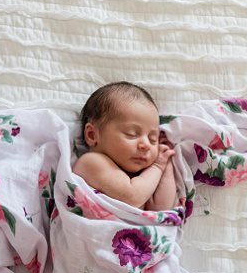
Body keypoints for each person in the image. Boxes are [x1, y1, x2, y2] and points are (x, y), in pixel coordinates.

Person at [72, 82, 178, 210]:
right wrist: (157, 167)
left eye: (152, 139)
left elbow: (161, 209)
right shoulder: (91, 162)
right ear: (92, 135)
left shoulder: (142, 176)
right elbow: (133, 196)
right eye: (131, 134)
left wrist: (166, 164)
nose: (145, 145)